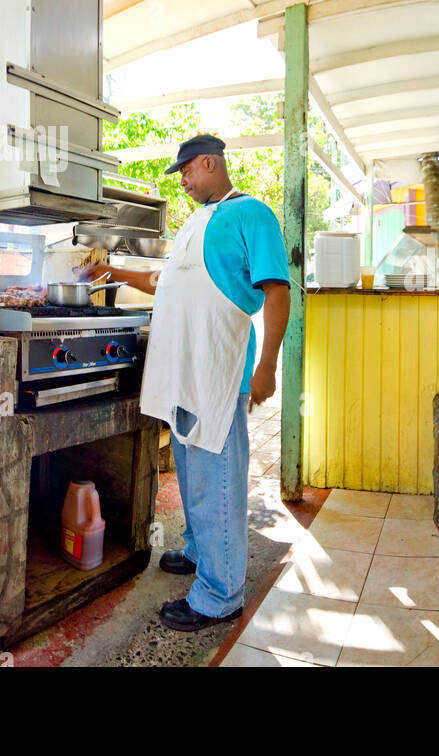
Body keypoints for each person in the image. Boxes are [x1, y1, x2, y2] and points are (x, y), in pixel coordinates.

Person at [81, 134, 291, 632]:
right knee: (193, 472)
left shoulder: (252, 214)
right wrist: (109, 268)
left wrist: (268, 366)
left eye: (187, 172)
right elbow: (163, 283)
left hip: (217, 372)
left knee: (218, 480)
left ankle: (220, 596)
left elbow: (278, 291)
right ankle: (201, 552)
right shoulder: (194, 224)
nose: (183, 182)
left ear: (210, 163)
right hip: (181, 371)